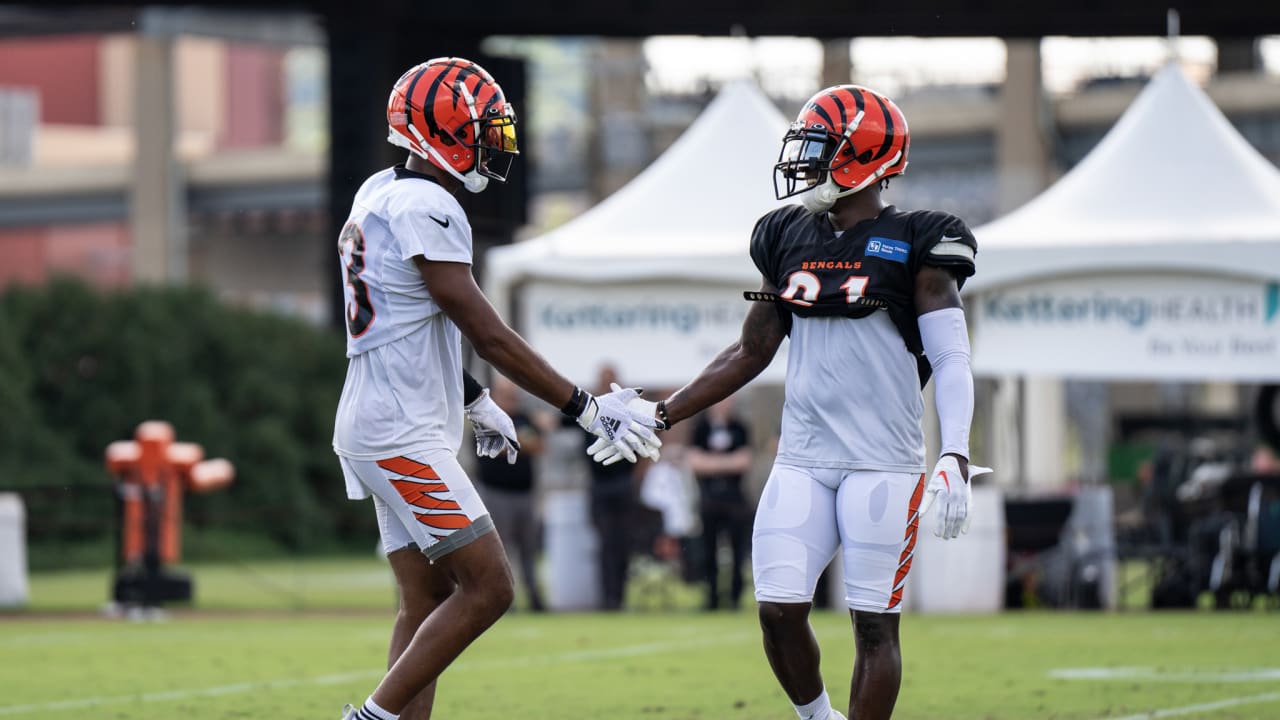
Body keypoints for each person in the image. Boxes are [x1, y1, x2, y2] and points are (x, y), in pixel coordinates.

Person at [590, 84, 985, 720]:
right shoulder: (787, 235)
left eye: (820, 148)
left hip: (882, 460)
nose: (805, 162)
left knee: (874, 629)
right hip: (803, 455)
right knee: (776, 610)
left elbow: (951, 357)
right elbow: (749, 351)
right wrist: (662, 412)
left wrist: (957, 451)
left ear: (866, 156)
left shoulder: (919, 239)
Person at [332, 57, 661, 720]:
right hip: (400, 431)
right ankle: (370, 718)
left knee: (425, 602)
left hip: (383, 418)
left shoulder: (379, 191)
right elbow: (489, 334)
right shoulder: (430, 203)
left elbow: (412, 324)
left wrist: (476, 400)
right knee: (490, 587)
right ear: (441, 132)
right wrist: (585, 407)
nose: (493, 142)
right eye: (481, 128)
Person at [473, 376, 546, 612]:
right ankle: (506, 599)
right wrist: (519, 443)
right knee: (501, 549)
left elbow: (539, 446)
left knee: (528, 549)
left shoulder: (524, 418)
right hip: (497, 494)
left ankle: (534, 598)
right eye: (507, 394)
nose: (512, 398)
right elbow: (492, 450)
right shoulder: (485, 419)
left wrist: (513, 444)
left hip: (524, 494)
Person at [686, 397, 753, 610]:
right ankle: (712, 598)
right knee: (709, 550)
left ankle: (734, 597)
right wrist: (727, 462)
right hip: (709, 498)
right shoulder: (701, 428)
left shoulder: (739, 428)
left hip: (734, 499)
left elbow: (744, 462)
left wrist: (711, 462)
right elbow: (695, 462)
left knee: (737, 549)